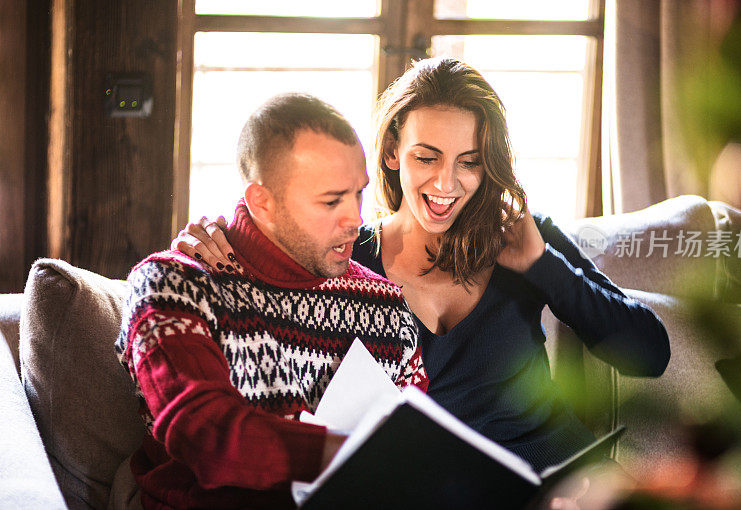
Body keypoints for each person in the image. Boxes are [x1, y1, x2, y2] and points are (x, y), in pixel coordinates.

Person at [176, 57, 670, 473]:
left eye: (469, 161)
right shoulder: (342, 257)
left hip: (564, 481)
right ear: (391, 151)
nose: (446, 184)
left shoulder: (527, 236)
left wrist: (543, 265)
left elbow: (649, 353)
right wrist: (199, 245)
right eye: (426, 157)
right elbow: (260, 244)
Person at [116, 93, 428, 509]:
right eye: (331, 200)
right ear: (262, 201)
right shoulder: (175, 283)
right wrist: (355, 457)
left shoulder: (386, 306)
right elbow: (205, 433)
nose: (355, 218)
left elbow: (416, 440)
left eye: (358, 193)